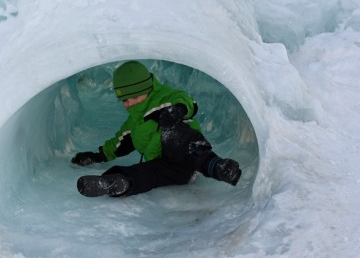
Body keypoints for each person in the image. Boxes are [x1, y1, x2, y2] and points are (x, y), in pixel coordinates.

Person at [71, 60, 242, 197]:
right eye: (124, 100)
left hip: (188, 154)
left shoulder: (163, 99)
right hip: (172, 168)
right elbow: (119, 142)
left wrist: (178, 111)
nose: (129, 103)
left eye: (135, 96)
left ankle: (216, 166)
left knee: (174, 135)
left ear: (147, 88)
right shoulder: (134, 122)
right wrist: (98, 156)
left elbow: (186, 101)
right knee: (147, 173)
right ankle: (118, 182)